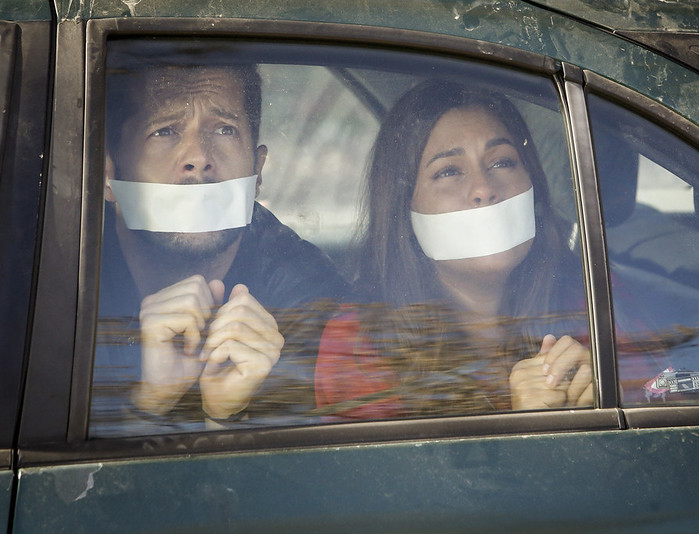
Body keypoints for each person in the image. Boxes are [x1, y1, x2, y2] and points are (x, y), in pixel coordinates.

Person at [91, 62, 348, 436]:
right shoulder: (60, 274)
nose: (198, 156)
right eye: (164, 131)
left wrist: (228, 418)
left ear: (257, 173)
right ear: (109, 174)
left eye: (225, 129)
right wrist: (149, 404)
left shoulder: (311, 299)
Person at [314, 81, 592, 419]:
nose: (483, 189)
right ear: (404, 211)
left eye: (502, 162)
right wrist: (525, 429)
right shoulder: (359, 345)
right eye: (448, 171)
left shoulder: (594, 298)